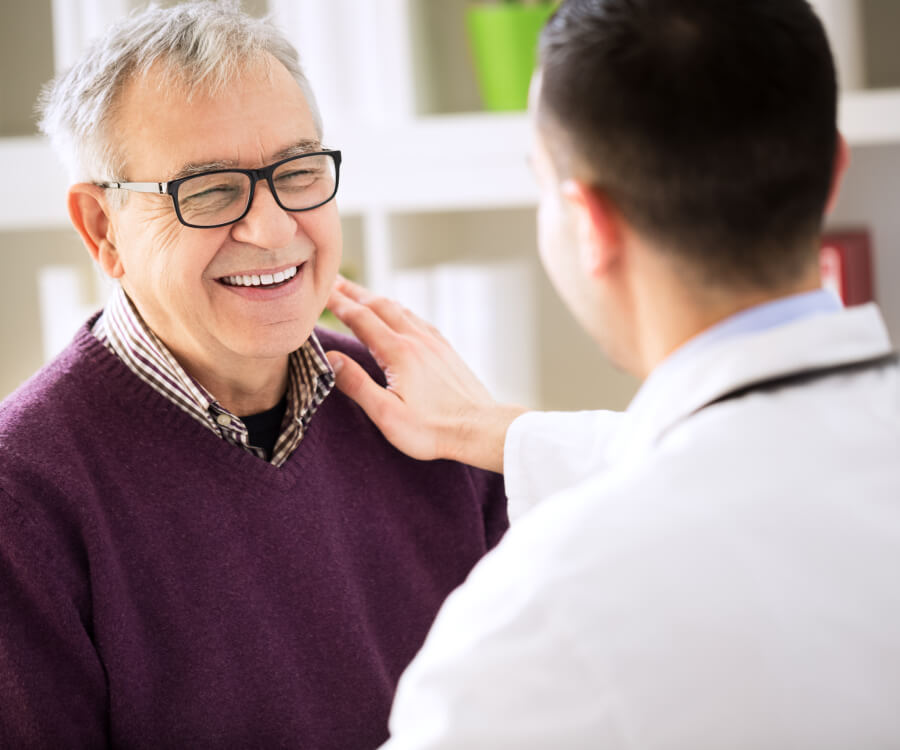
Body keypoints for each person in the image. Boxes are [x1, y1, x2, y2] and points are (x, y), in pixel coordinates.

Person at [324, 0, 900, 746]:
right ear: (833, 172)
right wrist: (502, 433)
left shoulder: (543, 621)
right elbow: (766, 464)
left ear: (588, 222)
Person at [0, 2, 507, 747]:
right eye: (208, 190)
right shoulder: (25, 495)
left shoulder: (426, 413)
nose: (271, 230)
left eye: (297, 172)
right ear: (102, 229)